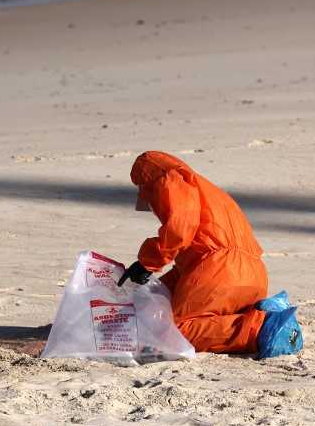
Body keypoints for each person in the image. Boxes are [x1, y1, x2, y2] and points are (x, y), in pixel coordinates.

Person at [117, 151, 302, 358]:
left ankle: (261, 329)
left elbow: (179, 229)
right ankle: (266, 312)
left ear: (147, 181)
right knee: (179, 310)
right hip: (253, 276)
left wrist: (147, 263)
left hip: (219, 270)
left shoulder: (170, 179)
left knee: (177, 331)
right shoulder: (207, 191)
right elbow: (188, 270)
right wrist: (150, 293)